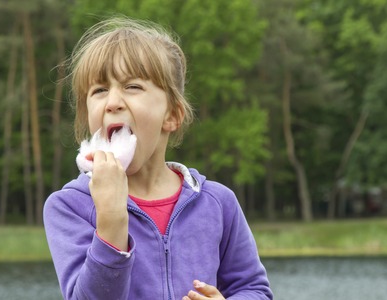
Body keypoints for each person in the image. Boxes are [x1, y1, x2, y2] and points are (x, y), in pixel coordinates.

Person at [43, 16, 273, 300]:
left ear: (172, 116)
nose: (113, 102)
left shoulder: (218, 203)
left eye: (132, 87)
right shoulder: (69, 206)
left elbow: (254, 290)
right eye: (99, 90)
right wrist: (112, 219)